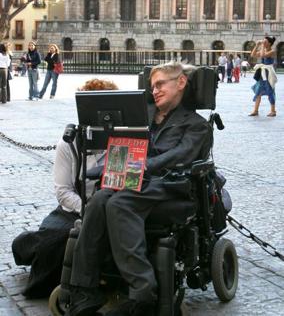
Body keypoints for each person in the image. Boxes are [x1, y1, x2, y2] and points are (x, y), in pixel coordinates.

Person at [66, 62, 211, 316]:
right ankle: (84, 288)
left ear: (180, 83)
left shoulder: (196, 124)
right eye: (152, 86)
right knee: (100, 199)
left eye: (160, 84)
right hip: (138, 180)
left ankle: (143, 291)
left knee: (119, 203)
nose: (154, 90)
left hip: (170, 184)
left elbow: (182, 155)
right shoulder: (142, 117)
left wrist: (146, 165)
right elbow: (125, 146)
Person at [11, 78, 118, 299]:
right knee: (53, 246)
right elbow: (63, 191)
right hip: (74, 210)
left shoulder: (124, 140)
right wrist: (89, 210)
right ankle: (28, 244)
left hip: (112, 210)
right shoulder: (69, 144)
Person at [249, 36, 277, 117]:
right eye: (263, 41)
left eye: (265, 42)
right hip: (262, 74)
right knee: (258, 92)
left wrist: (261, 46)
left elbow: (262, 55)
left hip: (269, 75)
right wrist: (256, 45)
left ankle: (273, 111)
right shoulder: (263, 49)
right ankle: (255, 110)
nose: (264, 43)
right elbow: (253, 55)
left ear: (270, 43)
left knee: (270, 92)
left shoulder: (272, 51)